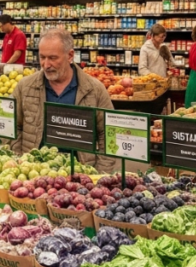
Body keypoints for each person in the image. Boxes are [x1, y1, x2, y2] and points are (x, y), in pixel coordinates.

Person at [11, 28, 118, 174]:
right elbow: (13, 126)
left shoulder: (94, 90)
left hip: (79, 177)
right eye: (42, 57)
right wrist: (20, 162)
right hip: (35, 175)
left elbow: (108, 134)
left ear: (70, 55)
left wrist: (99, 175)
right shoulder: (25, 87)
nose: (46, 64)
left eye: (53, 58)